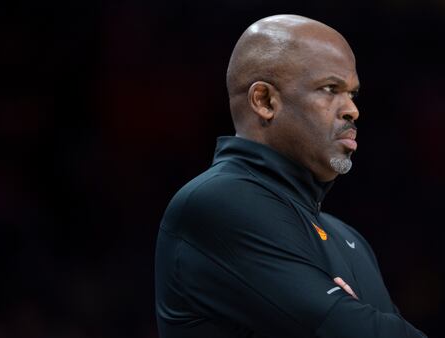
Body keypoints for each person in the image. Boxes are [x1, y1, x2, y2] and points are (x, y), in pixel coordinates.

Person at [155, 14, 427, 338]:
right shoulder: (218, 202)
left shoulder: (349, 239)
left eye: (352, 94)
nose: (352, 110)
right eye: (330, 89)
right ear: (265, 101)